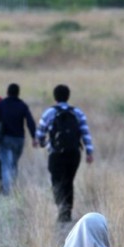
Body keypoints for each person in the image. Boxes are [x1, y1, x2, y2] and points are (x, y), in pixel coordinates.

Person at [35, 84, 94, 223]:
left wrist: (45, 144)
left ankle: (61, 210)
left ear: (55, 97)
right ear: (68, 96)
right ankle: (67, 213)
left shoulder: (49, 113)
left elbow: (40, 134)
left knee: (57, 181)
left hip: (56, 154)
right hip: (74, 153)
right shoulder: (77, 113)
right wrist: (89, 152)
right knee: (69, 181)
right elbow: (85, 133)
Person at [0, 83, 38, 194]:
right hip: (19, 139)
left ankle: (7, 191)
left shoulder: (2, 104)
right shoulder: (22, 105)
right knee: (14, 164)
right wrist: (34, 137)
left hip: (5, 138)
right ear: (18, 93)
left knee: (5, 165)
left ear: (7, 92)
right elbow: (30, 122)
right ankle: (13, 188)